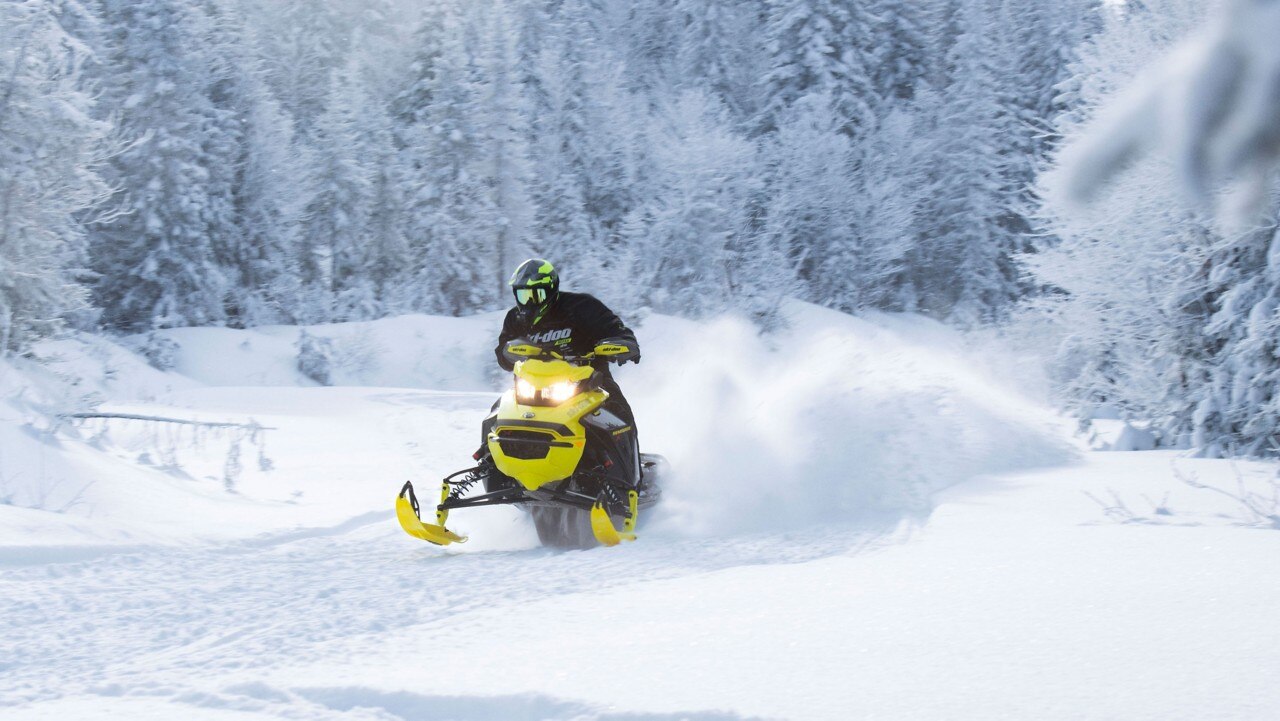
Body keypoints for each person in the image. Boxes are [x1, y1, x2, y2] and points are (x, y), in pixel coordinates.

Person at [495, 258, 640, 428]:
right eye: (523, 295)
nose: (529, 302)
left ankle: (630, 454)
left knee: (619, 413)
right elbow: (503, 353)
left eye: (536, 295)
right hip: (532, 385)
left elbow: (615, 328)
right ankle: (487, 453)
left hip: (588, 381)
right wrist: (509, 353)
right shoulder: (515, 318)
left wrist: (625, 343)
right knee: (497, 413)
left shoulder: (582, 307)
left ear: (551, 290)